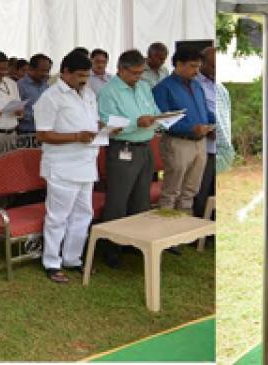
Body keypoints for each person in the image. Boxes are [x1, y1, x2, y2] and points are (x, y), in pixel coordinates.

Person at [34, 50, 102, 283]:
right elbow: (42, 134)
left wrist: (103, 127)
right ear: (65, 73)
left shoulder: (88, 93)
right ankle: (52, 262)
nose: (84, 79)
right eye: (80, 75)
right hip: (62, 165)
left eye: (87, 75)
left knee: (84, 214)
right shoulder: (50, 97)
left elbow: (89, 121)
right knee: (58, 216)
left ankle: (73, 258)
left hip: (86, 163)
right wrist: (76, 136)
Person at [96, 49, 161, 267]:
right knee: (118, 200)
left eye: (141, 72)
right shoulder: (108, 91)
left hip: (145, 146)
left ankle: (136, 243)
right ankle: (111, 247)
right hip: (123, 147)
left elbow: (154, 109)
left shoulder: (144, 86)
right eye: (134, 73)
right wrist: (136, 123)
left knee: (141, 199)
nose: (138, 77)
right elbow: (107, 123)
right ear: (121, 70)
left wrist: (157, 118)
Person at [153, 47, 215, 211]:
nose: (197, 71)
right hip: (178, 143)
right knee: (172, 191)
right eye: (193, 66)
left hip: (200, 143)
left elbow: (205, 112)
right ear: (179, 65)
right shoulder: (163, 88)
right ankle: (168, 233)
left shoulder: (197, 86)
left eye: (198, 66)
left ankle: (186, 232)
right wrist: (191, 129)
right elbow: (162, 120)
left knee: (191, 191)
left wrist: (217, 123)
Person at [193, 46, 227, 218]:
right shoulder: (195, 83)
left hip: (221, 145)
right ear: (202, 64)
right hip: (204, 145)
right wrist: (210, 128)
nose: (216, 70)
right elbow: (195, 111)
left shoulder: (219, 84)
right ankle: (199, 229)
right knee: (201, 189)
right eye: (213, 66)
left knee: (217, 189)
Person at [16, 54, 52, 134]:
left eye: (47, 71)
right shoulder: (20, 86)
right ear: (31, 69)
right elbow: (16, 111)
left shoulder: (45, 85)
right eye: (42, 70)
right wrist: (35, 116)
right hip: (26, 132)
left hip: (44, 131)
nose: (45, 74)